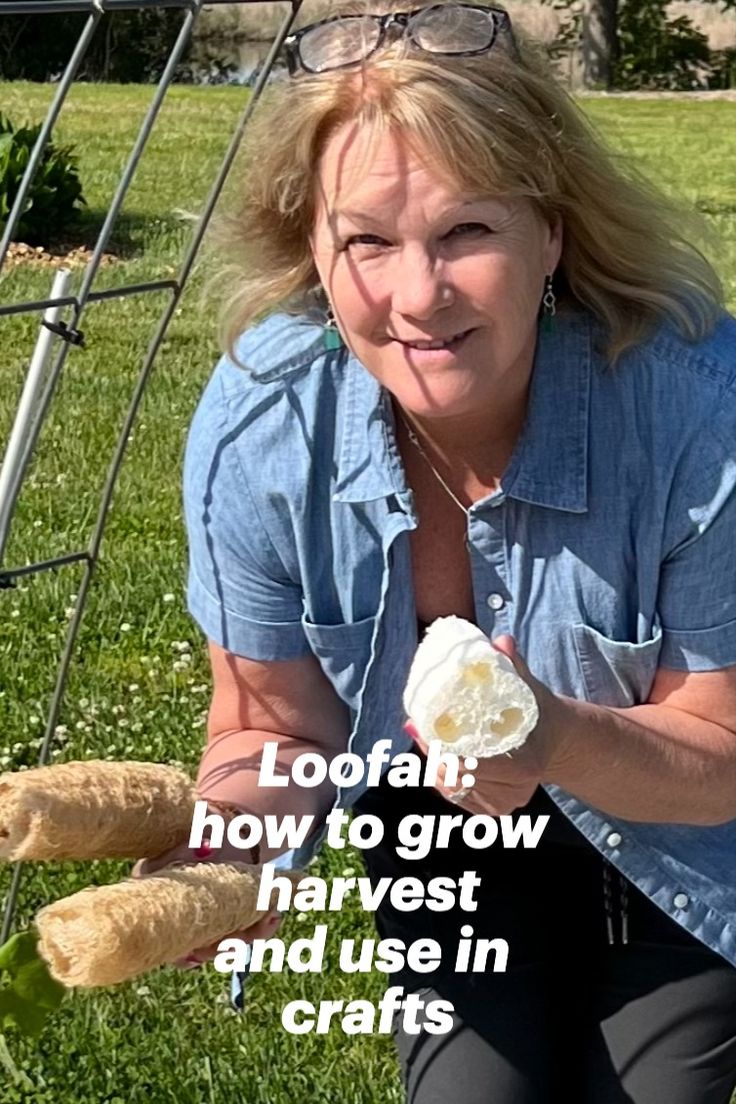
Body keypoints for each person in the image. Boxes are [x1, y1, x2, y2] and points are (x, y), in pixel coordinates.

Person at [166, 2, 736, 1099]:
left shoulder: (701, 412)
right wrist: (228, 852)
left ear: (551, 234)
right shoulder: (260, 424)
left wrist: (548, 730)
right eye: (366, 241)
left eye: (466, 232)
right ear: (314, 255)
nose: (416, 296)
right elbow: (272, 720)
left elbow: (720, 760)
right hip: (437, 829)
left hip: (684, 839)